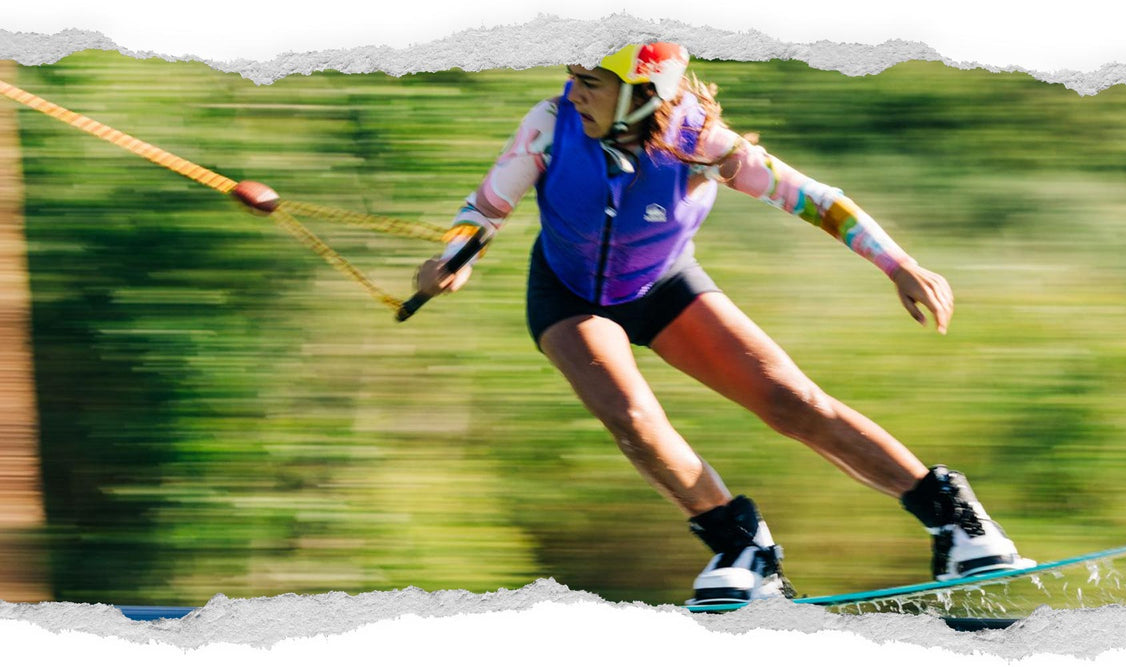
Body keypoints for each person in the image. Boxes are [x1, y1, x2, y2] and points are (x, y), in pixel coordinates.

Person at [414, 42, 1034, 604]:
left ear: (642, 95)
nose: (574, 91)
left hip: (662, 285)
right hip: (569, 294)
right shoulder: (550, 123)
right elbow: (486, 207)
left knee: (791, 401)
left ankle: (954, 522)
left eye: (591, 82)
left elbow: (812, 198)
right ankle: (743, 548)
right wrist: (456, 256)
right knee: (631, 417)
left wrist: (898, 264)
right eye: (572, 76)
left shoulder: (702, 142)